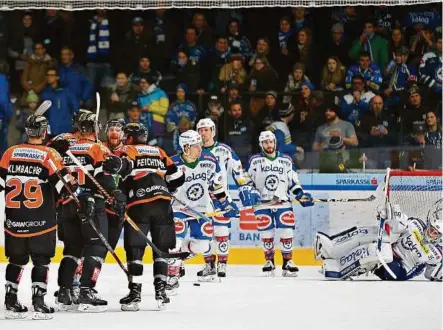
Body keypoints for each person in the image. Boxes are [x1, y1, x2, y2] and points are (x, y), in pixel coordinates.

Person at [0, 114, 75, 319]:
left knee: (15, 260)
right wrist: (62, 162)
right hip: (41, 222)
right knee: (41, 261)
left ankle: (10, 299)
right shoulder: (49, 154)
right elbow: (65, 188)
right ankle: (39, 301)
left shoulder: (10, 152)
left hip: (14, 222)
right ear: (44, 131)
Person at [52, 112, 122, 312]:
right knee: (97, 247)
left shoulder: (65, 146)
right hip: (91, 205)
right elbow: (106, 180)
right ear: (95, 128)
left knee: (72, 249)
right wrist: (113, 192)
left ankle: (64, 293)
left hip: (66, 204)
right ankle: (86, 292)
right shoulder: (98, 148)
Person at [118, 122, 184, 310]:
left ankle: (135, 294)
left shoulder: (129, 149)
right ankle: (161, 293)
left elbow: (124, 167)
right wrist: (166, 187)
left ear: (130, 137)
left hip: (139, 205)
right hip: (163, 203)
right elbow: (177, 177)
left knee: (135, 249)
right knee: (161, 250)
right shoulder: (159, 151)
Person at [167, 130, 240, 287]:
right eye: (196, 146)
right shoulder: (172, 164)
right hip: (179, 209)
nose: (200, 148)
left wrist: (226, 203)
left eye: (200, 145)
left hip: (203, 209)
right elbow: (165, 189)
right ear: (186, 148)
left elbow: (217, 186)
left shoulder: (209, 159)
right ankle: (171, 277)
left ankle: (179, 256)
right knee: (175, 241)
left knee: (202, 246)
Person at [314, 200, 442, 281]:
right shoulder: (417, 224)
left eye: (436, 233)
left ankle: (337, 270)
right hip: (391, 253)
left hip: (399, 270)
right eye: (432, 228)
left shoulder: (437, 253)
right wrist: (389, 214)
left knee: (376, 252)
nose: (431, 233)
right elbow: (399, 224)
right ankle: (331, 247)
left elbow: (430, 274)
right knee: (373, 232)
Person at [196, 118, 260, 277]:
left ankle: (222, 264)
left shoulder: (224, 150)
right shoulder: (193, 150)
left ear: (213, 131)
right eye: (200, 130)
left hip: (221, 198)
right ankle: (209, 264)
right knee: (205, 233)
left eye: (206, 130)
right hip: (201, 200)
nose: (203, 133)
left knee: (221, 231)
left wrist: (244, 188)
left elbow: (238, 172)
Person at [247, 131, 314, 276]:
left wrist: (300, 194)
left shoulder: (286, 160)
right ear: (261, 144)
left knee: (287, 230)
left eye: (271, 142)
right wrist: (251, 192)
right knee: (266, 232)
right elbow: (248, 181)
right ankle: (269, 261)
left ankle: (287, 262)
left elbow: (293, 182)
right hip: (262, 202)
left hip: (282, 201)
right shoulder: (255, 160)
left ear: (275, 143)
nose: (269, 145)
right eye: (265, 142)